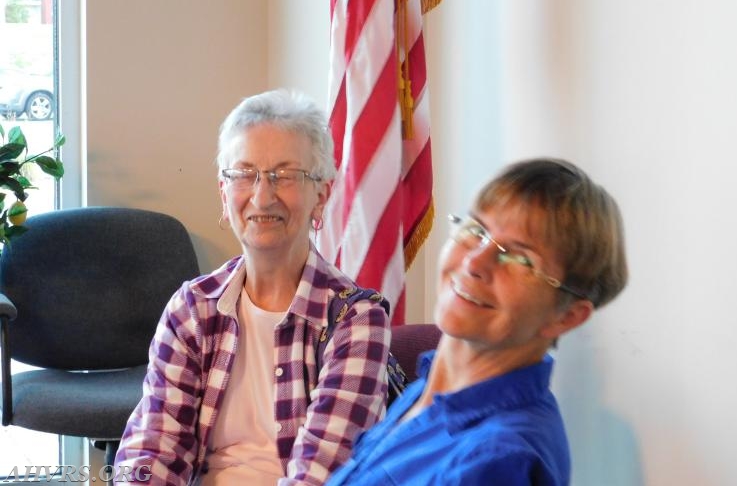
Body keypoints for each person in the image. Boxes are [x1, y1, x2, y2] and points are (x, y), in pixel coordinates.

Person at [114, 89, 391, 485]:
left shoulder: (355, 322)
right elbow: (152, 450)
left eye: (285, 175)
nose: (262, 196)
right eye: (244, 174)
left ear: (321, 195)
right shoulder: (192, 310)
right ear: (224, 196)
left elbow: (321, 475)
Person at [327, 158, 628, 486]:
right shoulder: (433, 388)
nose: (474, 262)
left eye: (520, 258)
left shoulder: (500, 459)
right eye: (476, 230)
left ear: (566, 316)